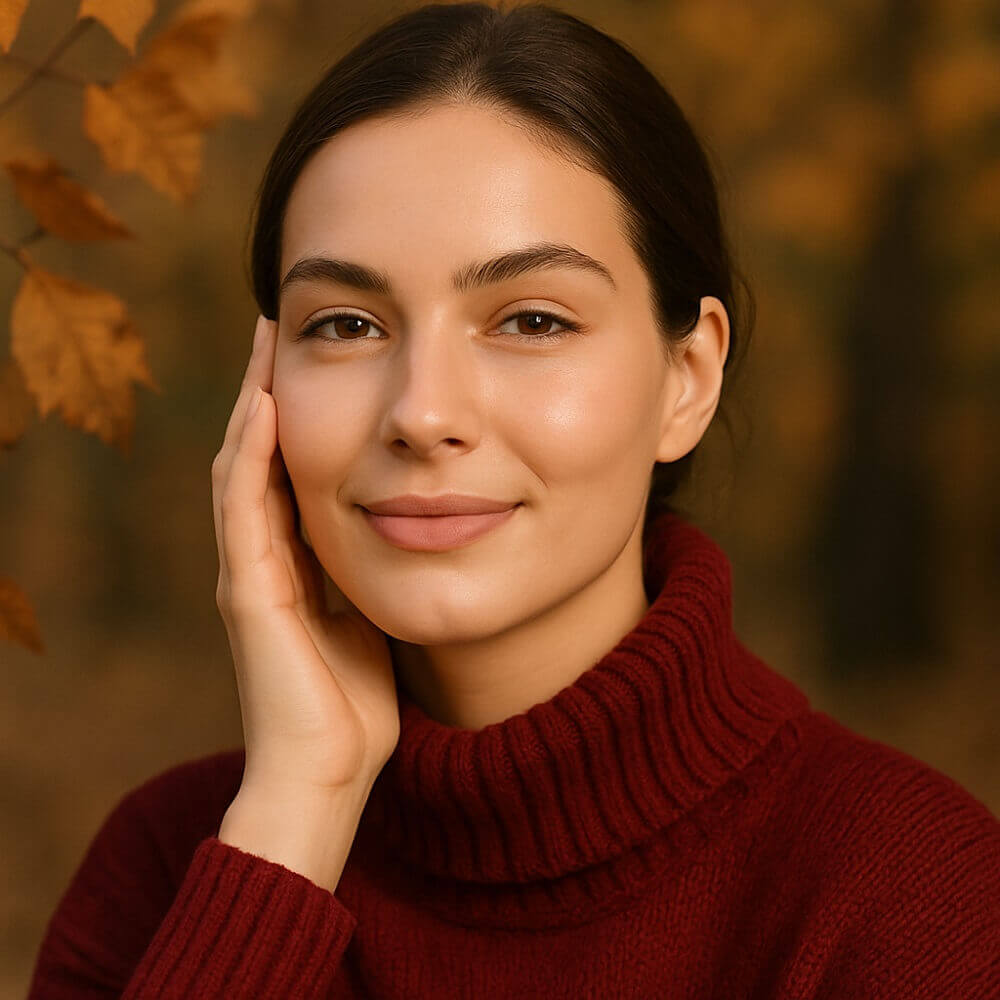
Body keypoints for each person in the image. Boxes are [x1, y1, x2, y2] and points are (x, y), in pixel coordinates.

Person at [27, 3, 1000, 997]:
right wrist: (292, 821)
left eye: (532, 320)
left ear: (688, 378)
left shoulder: (914, 901)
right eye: (348, 325)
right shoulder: (166, 873)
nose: (422, 413)